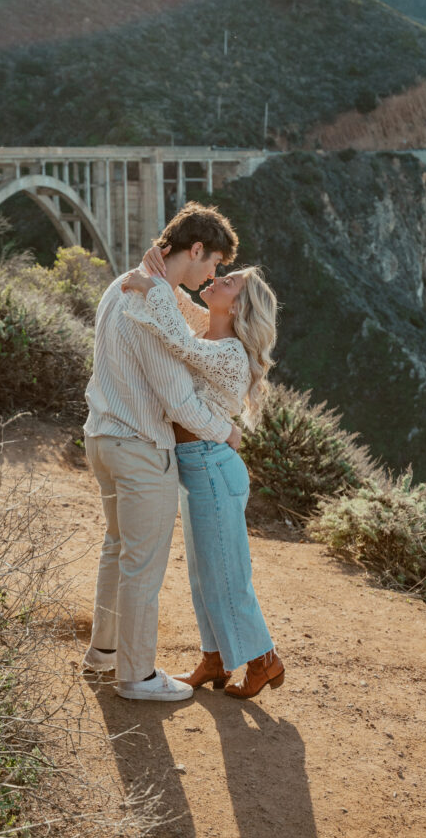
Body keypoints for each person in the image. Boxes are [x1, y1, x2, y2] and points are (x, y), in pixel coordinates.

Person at [83, 203, 242, 702]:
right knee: (143, 566)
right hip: (139, 446)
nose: (214, 273)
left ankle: (104, 654)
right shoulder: (150, 305)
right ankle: (137, 676)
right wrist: (226, 430)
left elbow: (187, 324)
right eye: (213, 263)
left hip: (102, 438)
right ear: (195, 250)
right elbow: (179, 400)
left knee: (118, 550)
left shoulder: (124, 286)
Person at [121, 244, 284, 699]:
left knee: (227, 573)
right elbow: (181, 309)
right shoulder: (210, 332)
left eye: (228, 282)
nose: (218, 279)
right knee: (203, 573)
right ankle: (215, 659)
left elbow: (176, 339)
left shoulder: (228, 352)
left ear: (238, 306)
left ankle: (264, 660)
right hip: (199, 469)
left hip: (213, 468)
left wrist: (149, 286)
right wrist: (157, 270)